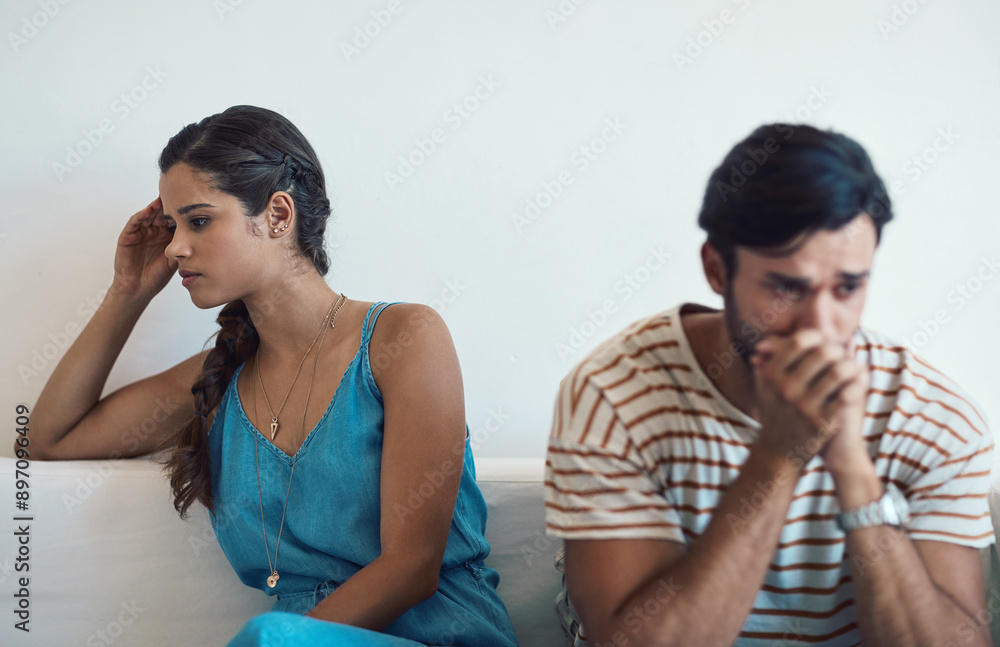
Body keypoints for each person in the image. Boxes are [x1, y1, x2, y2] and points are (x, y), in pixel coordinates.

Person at [26, 105, 519, 647]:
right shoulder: (218, 378)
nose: (174, 247)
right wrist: (128, 293)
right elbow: (51, 439)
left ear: (279, 215)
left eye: (198, 221)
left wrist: (280, 638)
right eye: (171, 227)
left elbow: (412, 567)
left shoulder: (403, 338)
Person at [544, 124, 994, 646]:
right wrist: (779, 456)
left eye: (847, 287)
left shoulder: (938, 419)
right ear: (716, 269)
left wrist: (853, 470)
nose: (820, 327)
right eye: (786, 288)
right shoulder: (611, 396)